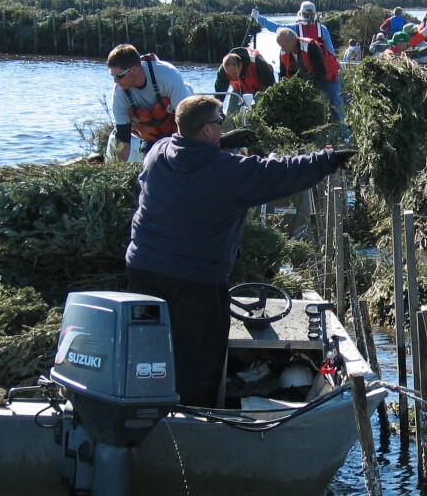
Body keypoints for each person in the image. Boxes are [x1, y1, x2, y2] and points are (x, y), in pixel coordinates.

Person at [125, 94, 356, 406]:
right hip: (194, 280)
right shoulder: (229, 173)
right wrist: (328, 160)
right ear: (206, 130)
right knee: (199, 357)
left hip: (143, 268)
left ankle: (144, 404)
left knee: (151, 346)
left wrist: (219, 144)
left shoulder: (158, 152)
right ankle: (196, 419)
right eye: (219, 123)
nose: (222, 127)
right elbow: (278, 172)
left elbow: (190, 156)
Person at [106, 44, 192, 163]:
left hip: (181, 124)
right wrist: (118, 172)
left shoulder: (168, 75)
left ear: (134, 70)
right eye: (112, 76)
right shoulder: (119, 93)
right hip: (152, 135)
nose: (116, 81)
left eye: (119, 76)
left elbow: (188, 121)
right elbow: (122, 137)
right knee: (150, 163)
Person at [276, 27, 344, 122]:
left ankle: (345, 132)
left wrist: (310, 90)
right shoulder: (283, 52)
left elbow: (321, 72)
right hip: (309, 78)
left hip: (328, 75)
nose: (282, 48)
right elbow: (283, 75)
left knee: (335, 103)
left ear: (293, 40)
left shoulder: (310, 46)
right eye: (280, 45)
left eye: (284, 45)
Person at [251, 1, 336, 55]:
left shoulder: (295, 28)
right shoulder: (322, 29)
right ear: (314, 13)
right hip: (321, 68)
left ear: (301, 13)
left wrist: (258, 17)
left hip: (302, 67)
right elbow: (330, 51)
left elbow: (275, 27)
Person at [214, 47, 275, 114]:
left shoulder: (257, 61)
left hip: (260, 87)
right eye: (229, 75)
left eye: (234, 74)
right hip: (238, 89)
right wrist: (218, 111)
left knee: (262, 108)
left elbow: (270, 83)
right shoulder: (223, 70)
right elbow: (219, 93)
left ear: (240, 65)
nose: (232, 77)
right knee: (230, 112)